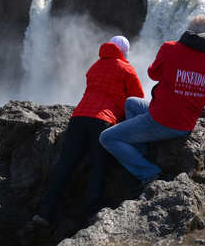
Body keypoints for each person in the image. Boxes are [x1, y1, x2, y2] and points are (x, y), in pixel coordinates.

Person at [99, 14, 205, 188]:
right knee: (131, 103)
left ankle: (148, 173)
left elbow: (153, 74)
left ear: (188, 31)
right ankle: (141, 153)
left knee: (107, 138)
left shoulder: (170, 48)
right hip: (186, 124)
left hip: (160, 120)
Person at [33, 35, 144, 226]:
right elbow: (137, 99)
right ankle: (92, 216)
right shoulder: (126, 68)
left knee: (64, 165)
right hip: (103, 121)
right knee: (98, 167)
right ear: (124, 52)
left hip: (78, 118)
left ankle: (44, 213)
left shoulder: (95, 66)